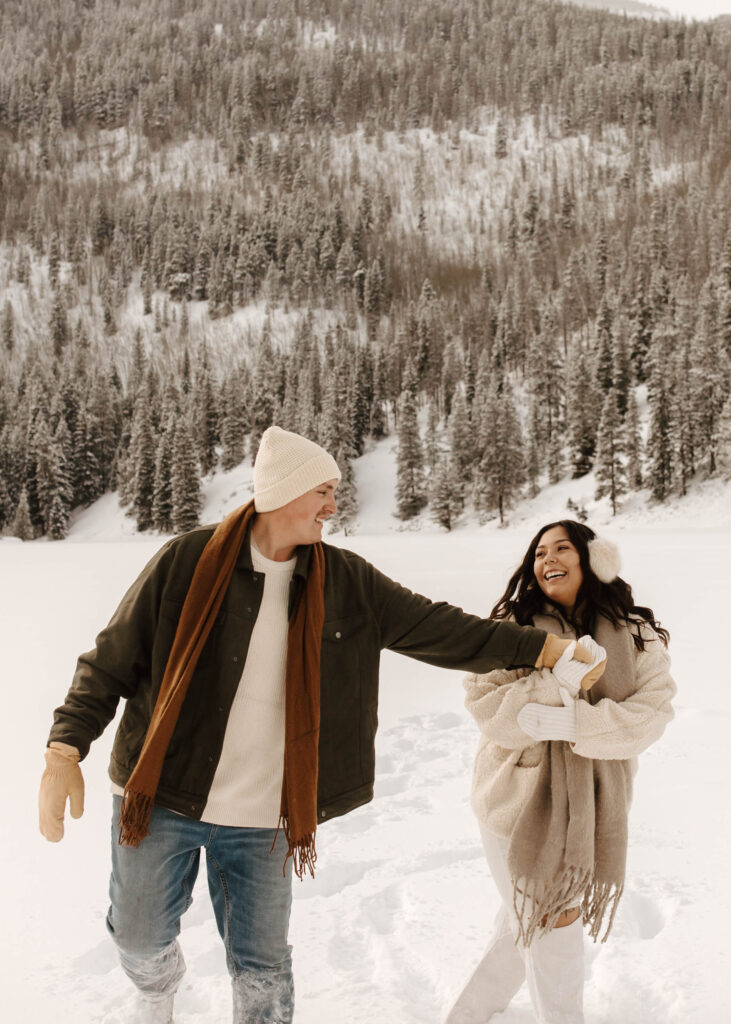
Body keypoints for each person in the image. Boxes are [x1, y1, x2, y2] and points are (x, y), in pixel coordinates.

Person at [38, 427, 589, 1024]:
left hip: (266, 815)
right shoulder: (187, 562)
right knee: (139, 939)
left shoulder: (347, 583)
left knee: (263, 966)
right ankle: (157, 988)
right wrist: (64, 750)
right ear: (283, 491)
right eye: (323, 491)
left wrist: (543, 650)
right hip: (162, 796)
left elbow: (443, 629)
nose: (333, 505)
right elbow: (112, 658)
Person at [445, 520, 676, 1024]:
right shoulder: (512, 626)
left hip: (593, 810)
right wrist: (553, 685)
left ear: (592, 559)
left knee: (526, 921)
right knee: (553, 921)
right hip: (513, 804)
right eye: (539, 551)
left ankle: (466, 1016)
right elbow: (488, 707)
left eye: (562, 548)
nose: (547, 558)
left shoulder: (634, 633)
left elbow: (652, 713)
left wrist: (577, 721)